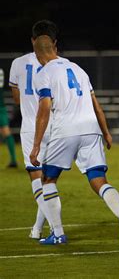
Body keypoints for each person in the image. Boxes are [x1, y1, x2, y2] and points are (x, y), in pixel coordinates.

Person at [30, 35, 119, 246]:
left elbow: (44, 109)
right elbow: (96, 105)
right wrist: (105, 132)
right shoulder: (79, 69)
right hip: (91, 129)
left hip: (66, 130)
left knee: (48, 180)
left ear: (36, 53)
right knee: (98, 180)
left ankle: (58, 233)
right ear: (55, 47)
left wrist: (36, 145)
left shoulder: (43, 73)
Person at [8, 20, 61, 239]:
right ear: (54, 43)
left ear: (33, 40)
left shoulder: (18, 63)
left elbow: (17, 97)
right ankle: (38, 228)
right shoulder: (61, 64)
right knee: (49, 182)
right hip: (56, 128)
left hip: (31, 127)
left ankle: (56, 228)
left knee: (37, 181)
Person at [0, 68, 18, 168]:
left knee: (6, 131)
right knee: (6, 131)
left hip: (0, 107)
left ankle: (13, 160)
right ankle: (13, 160)